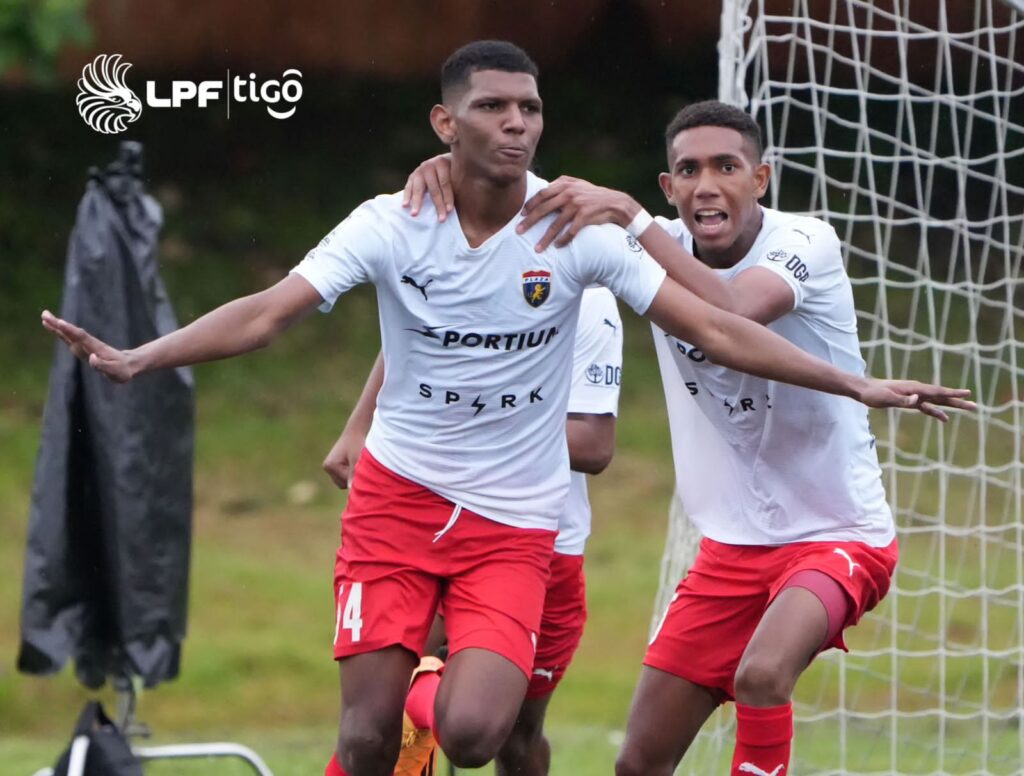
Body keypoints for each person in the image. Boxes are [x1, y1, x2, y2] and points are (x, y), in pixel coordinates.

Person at [41, 39, 972, 776]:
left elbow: (720, 324)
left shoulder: (595, 238)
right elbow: (279, 313)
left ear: (761, 178)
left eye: (530, 108)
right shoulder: (394, 220)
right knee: (368, 740)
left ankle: (428, 688)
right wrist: (143, 356)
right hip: (405, 504)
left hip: (529, 523)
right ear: (446, 123)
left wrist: (858, 383)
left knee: (481, 735)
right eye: (494, 107)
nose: (518, 122)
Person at [404, 98, 971, 776]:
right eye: (689, 170)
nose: (707, 184)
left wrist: (633, 216)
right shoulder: (645, 246)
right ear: (669, 186)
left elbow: (732, 312)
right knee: (637, 763)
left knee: (763, 675)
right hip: (730, 550)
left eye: (726, 167)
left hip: (837, 534)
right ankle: (421, 705)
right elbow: (513, 221)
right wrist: (448, 170)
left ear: (760, 178)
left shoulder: (803, 240)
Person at [323, 285, 623, 776]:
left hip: (535, 542)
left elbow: (593, 445)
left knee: (512, 734)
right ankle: (418, 701)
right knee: (374, 728)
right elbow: (414, 331)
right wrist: (360, 423)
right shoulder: (454, 260)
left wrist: (474, 418)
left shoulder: (585, 292)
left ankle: (423, 698)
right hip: (426, 524)